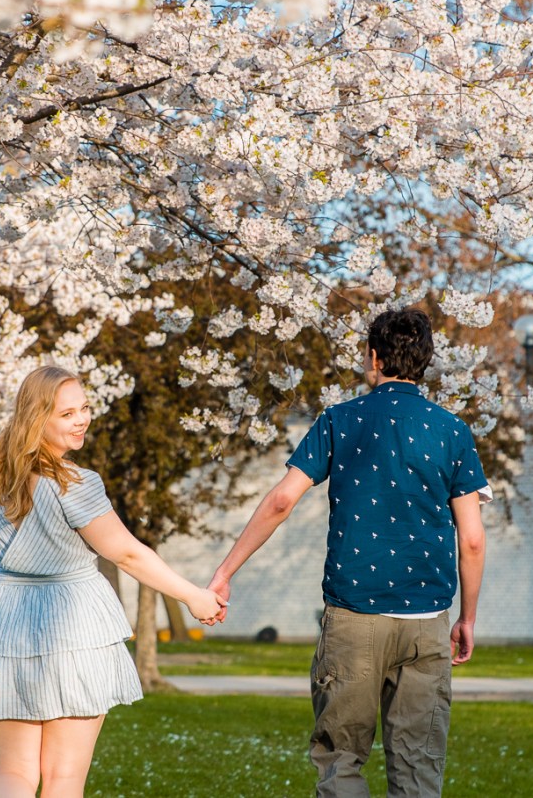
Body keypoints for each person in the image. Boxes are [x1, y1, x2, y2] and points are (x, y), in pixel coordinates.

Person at [208, 307, 489, 797]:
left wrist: (226, 570)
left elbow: (280, 500)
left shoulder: (340, 421)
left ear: (373, 358)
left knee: (341, 764)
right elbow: (472, 538)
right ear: (424, 362)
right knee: (419, 771)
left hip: (353, 619)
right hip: (426, 623)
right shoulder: (453, 432)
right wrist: (466, 618)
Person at [0, 365, 226, 798]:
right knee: (64, 778)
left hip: (3, 619)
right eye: (67, 414)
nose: (82, 419)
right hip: (74, 627)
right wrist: (194, 596)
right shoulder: (74, 483)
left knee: (12, 775)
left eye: (84, 408)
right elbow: (126, 553)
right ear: (35, 418)